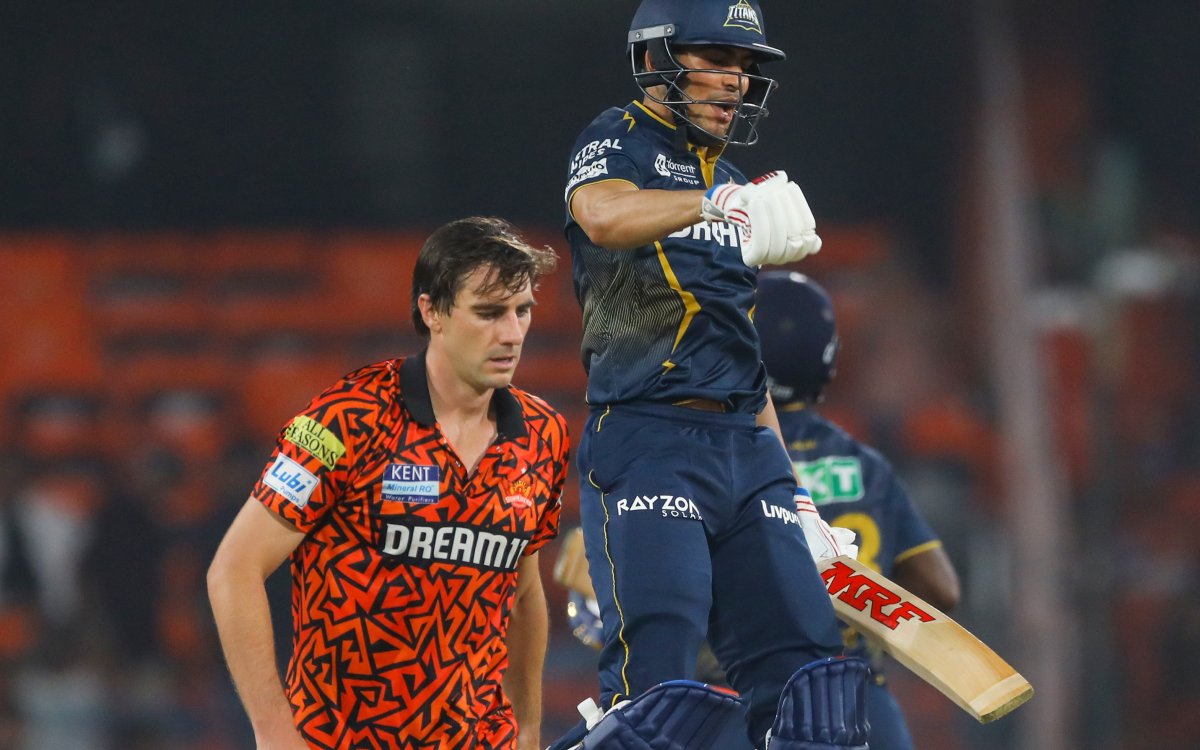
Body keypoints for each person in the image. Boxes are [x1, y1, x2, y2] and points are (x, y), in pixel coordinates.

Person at [553, 1, 868, 748]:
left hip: (746, 452)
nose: (737, 81)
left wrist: (795, 494)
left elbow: (740, 353)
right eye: (718, 59)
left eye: (746, 67)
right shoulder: (618, 138)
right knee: (659, 709)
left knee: (813, 702)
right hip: (650, 438)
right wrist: (717, 203)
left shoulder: (728, 179)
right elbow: (599, 215)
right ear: (657, 58)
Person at [207, 217, 569, 750]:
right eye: (489, 313)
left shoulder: (543, 435)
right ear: (432, 311)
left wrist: (529, 728)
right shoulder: (346, 418)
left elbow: (523, 592)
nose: (512, 333)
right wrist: (273, 730)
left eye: (523, 311)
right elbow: (234, 569)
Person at [754, 270, 961, 749]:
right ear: (828, 360)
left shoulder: (722, 457)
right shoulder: (866, 466)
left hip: (754, 699)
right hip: (860, 703)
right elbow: (941, 588)